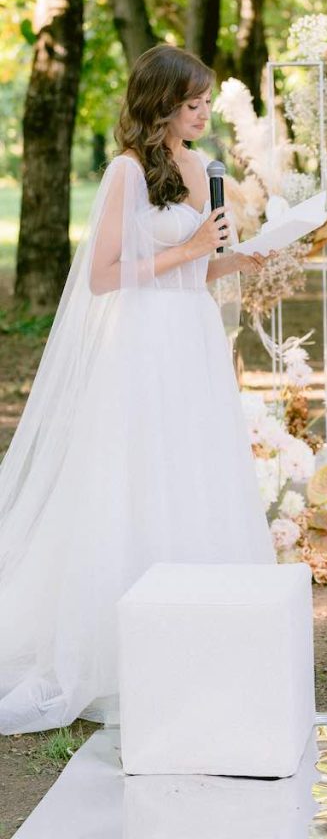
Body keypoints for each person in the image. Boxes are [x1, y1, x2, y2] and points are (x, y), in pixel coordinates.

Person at [0, 45, 275, 735]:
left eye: (206, 102)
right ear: (161, 105)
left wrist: (238, 259)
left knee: (193, 474)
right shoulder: (126, 171)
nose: (203, 114)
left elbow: (197, 270)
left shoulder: (201, 168)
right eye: (192, 103)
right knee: (137, 475)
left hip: (191, 337)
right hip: (142, 340)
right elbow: (103, 276)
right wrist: (191, 249)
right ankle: (115, 642)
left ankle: (196, 635)